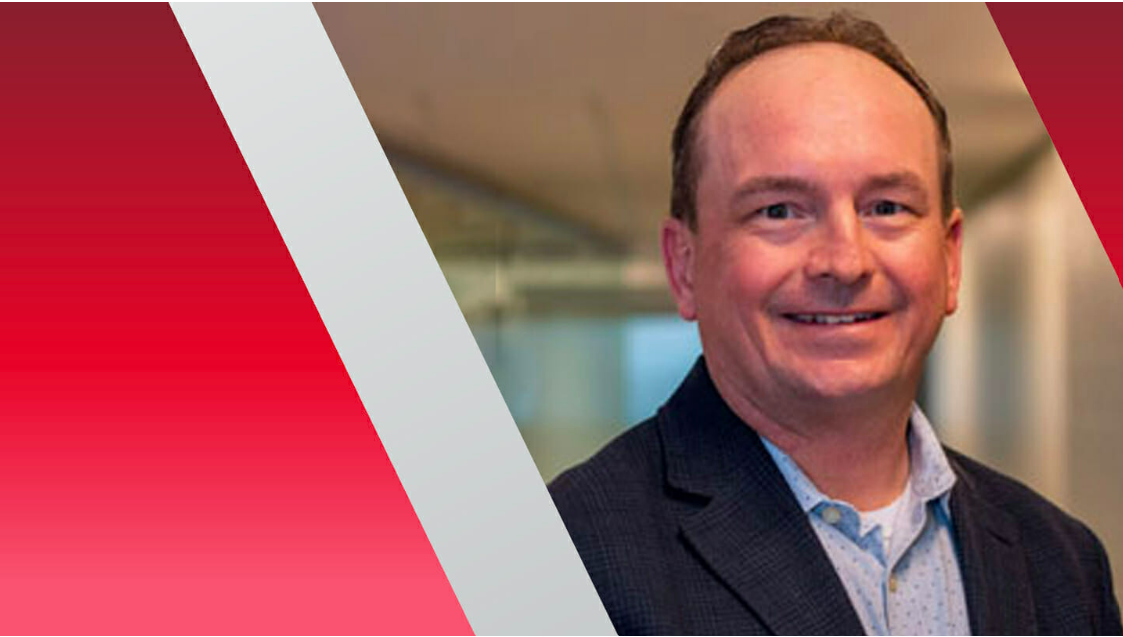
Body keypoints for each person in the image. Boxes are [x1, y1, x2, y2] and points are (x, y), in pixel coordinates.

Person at [549, 13, 1122, 636]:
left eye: (886, 207)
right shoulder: (565, 556)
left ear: (950, 258)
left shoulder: (1063, 563)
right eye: (779, 211)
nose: (844, 262)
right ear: (683, 266)